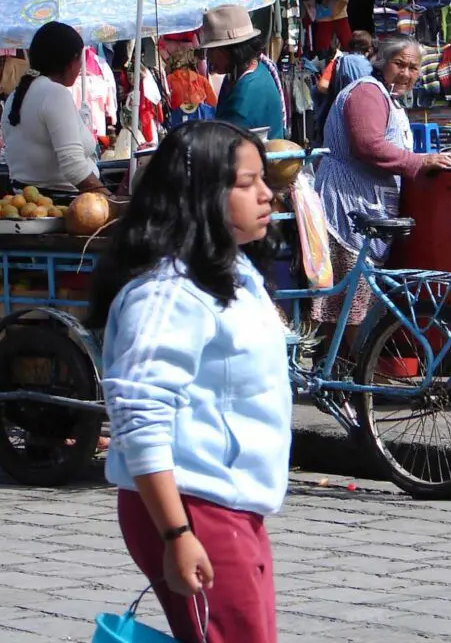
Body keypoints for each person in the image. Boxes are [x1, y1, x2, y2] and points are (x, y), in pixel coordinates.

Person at [91, 121, 287, 643]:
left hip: (230, 505)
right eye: (247, 184)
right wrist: (176, 533)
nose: (267, 194)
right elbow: (139, 415)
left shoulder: (231, 273)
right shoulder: (168, 292)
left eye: (262, 180)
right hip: (193, 506)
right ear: (201, 194)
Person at [313, 37, 451, 329]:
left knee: (359, 297)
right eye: (399, 64)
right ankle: (341, 366)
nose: (406, 73)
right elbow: (368, 145)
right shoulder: (367, 92)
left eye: (413, 68)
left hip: (365, 201)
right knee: (348, 300)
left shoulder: (385, 96)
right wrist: (420, 161)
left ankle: (349, 365)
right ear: (382, 62)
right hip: (347, 202)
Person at [1, 22, 108, 194]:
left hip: (27, 199)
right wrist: (112, 201)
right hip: (61, 204)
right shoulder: (54, 93)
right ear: (70, 61)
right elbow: (74, 167)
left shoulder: (16, 95)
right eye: (80, 60)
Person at [201, 4, 286, 140]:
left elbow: (222, 147)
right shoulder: (253, 71)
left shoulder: (243, 100)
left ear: (231, 50)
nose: (209, 57)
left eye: (213, 50)